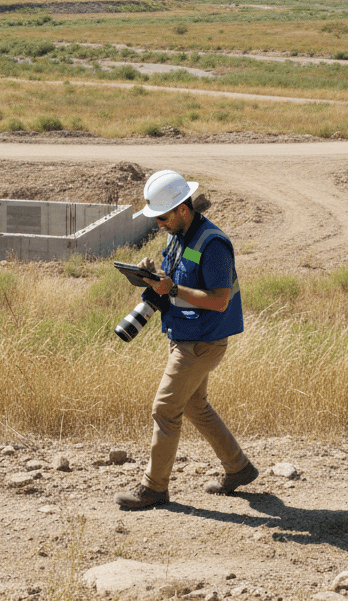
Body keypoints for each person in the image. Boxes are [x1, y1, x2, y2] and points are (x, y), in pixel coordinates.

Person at [115, 170, 258, 510]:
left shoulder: (213, 244)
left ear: (181, 208)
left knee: (165, 408)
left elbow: (219, 300)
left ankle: (154, 488)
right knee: (194, 405)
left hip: (202, 342)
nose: (159, 224)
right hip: (185, 333)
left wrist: (174, 288)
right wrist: (154, 277)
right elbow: (174, 279)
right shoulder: (178, 236)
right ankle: (238, 468)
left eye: (162, 217)